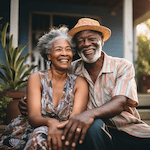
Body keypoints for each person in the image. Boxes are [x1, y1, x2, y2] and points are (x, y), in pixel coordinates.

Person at [19, 18, 150, 150]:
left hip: (129, 130)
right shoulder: (71, 69)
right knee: (92, 127)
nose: (86, 44)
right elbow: (51, 85)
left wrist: (89, 114)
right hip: (91, 131)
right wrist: (27, 101)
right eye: (80, 41)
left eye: (92, 39)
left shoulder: (122, 66)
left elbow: (119, 102)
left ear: (102, 41)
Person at [0, 26, 89, 150]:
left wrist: (55, 127)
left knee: (41, 137)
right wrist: (50, 122)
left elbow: (75, 118)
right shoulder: (36, 78)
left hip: (65, 129)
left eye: (68, 49)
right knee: (38, 136)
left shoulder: (80, 83)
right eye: (58, 49)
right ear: (48, 56)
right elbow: (34, 117)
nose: (64, 53)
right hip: (28, 130)